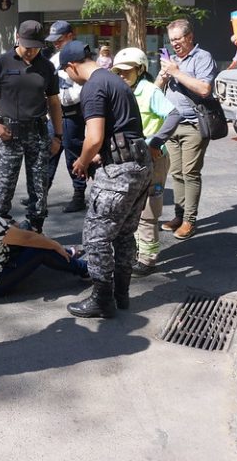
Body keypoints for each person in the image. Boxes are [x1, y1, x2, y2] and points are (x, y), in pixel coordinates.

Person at [58, 40, 156, 318]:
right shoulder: (114, 80)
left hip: (119, 171)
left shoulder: (92, 87)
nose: (70, 78)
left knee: (96, 236)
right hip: (139, 164)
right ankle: (121, 295)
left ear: (71, 66)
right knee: (124, 233)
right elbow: (123, 129)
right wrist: (100, 155)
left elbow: (94, 137)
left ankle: (102, 299)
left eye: (68, 74)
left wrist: (82, 160)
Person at [0, 20, 63, 234]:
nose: (31, 52)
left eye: (36, 47)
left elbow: (54, 102)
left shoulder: (47, 67)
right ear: (18, 38)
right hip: (9, 133)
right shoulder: (1, 63)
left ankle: (36, 228)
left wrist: (58, 136)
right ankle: (0, 229)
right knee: (5, 184)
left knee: (39, 186)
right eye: (28, 47)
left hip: (38, 132)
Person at [0, 172, 89, 296]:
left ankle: (67, 254)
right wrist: (55, 245)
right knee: (39, 248)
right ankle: (87, 269)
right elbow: (28, 238)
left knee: (25, 227)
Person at [111, 47, 183, 277]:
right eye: (118, 71)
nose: (121, 75)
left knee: (149, 210)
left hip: (153, 158)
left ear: (140, 69)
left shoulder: (149, 91)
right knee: (131, 208)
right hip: (131, 159)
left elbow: (173, 115)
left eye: (126, 71)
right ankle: (136, 250)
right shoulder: (123, 90)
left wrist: (155, 143)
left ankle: (148, 259)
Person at [155, 18, 218, 240]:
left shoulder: (202, 58)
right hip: (171, 125)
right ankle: (179, 216)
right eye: (171, 40)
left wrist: (177, 72)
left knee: (190, 173)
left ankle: (190, 221)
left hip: (193, 124)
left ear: (190, 37)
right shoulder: (171, 60)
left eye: (178, 39)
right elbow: (156, 91)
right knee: (177, 173)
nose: (175, 44)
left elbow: (204, 89)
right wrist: (163, 77)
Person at [43, 20, 87, 213]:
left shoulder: (82, 57)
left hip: (72, 115)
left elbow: (82, 89)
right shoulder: (54, 59)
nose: (56, 44)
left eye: (59, 39)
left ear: (70, 35)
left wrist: (60, 97)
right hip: (56, 115)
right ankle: (41, 193)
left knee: (73, 156)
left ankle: (79, 194)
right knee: (49, 154)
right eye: (54, 41)